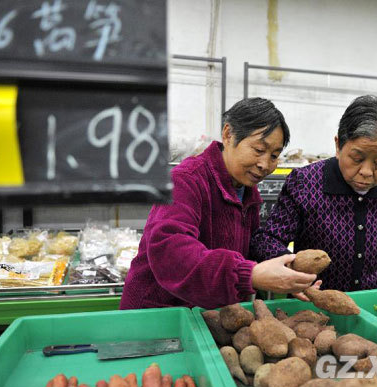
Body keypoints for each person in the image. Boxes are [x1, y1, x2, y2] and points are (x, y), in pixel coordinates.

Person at [120, 98, 317, 310]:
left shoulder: (247, 191)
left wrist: (287, 272)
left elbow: (247, 249)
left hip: (206, 315)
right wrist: (247, 274)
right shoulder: (186, 180)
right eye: (259, 150)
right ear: (228, 134)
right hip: (159, 315)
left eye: (274, 155)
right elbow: (171, 250)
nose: (264, 164)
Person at [250, 95, 377, 291]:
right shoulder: (305, 183)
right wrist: (292, 267)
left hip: (376, 303)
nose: (367, 172)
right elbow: (268, 239)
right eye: (357, 158)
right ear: (338, 145)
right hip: (314, 306)